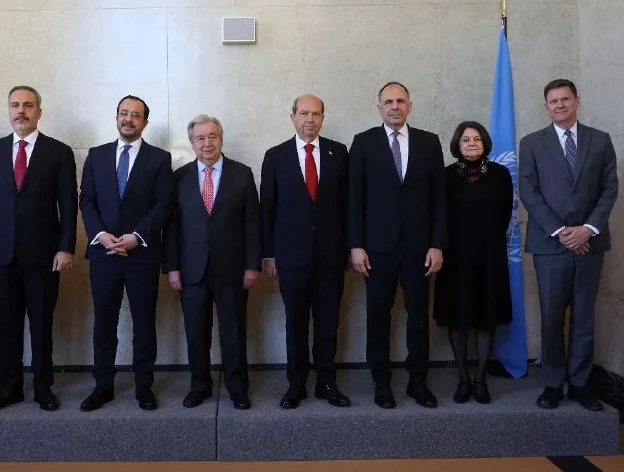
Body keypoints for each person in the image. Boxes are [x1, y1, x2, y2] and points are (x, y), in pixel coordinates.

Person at [0, 85, 78, 412]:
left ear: (39, 112)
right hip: (1, 257)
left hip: (44, 257)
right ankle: (9, 389)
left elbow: (68, 206)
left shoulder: (59, 152)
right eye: (15, 105)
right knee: (7, 326)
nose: (21, 111)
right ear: (8, 111)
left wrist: (66, 248)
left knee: (42, 325)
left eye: (28, 105)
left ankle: (43, 388)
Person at [519, 78, 618, 411]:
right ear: (546, 107)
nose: (559, 105)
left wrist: (587, 229)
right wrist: (561, 231)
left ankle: (579, 384)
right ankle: (552, 383)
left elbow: (609, 188)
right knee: (551, 316)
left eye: (565, 99)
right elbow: (529, 191)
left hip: (590, 243)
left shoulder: (600, 140)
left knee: (584, 316)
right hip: (551, 245)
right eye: (553, 101)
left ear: (577, 100)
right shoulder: (532, 143)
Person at [347, 81, 447, 409]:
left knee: (418, 314)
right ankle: (381, 382)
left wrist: (437, 244)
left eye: (400, 101)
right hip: (377, 248)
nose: (394, 106)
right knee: (378, 315)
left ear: (410, 106)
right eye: (388, 102)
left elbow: (439, 198)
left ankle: (418, 380)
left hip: (420, 247)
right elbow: (354, 198)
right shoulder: (363, 143)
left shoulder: (429, 143)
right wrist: (356, 245)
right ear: (379, 108)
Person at [78, 95, 173, 411]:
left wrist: (137, 236)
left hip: (141, 255)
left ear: (145, 122)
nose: (128, 119)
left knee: (144, 324)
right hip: (103, 254)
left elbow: (164, 204)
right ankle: (102, 386)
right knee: (104, 323)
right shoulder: (97, 155)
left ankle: (144, 386)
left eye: (135, 115)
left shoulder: (159, 159)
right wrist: (100, 235)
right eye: (123, 113)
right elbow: (87, 199)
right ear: (116, 117)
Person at [164, 115, 260, 410]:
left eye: (212, 136)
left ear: (221, 138)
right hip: (191, 270)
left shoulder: (242, 174)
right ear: (192, 143)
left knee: (233, 332)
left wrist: (252, 265)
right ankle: (199, 385)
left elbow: (252, 223)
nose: (207, 143)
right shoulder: (178, 178)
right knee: (196, 332)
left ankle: (237, 387)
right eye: (200, 138)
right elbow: (172, 228)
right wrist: (172, 268)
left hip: (232, 268)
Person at [260, 94, 350, 409]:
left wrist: (350, 248)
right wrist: (268, 254)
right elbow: (267, 209)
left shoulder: (339, 152)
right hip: (291, 256)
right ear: (293, 117)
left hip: (331, 256)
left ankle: (327, 383)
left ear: (322, 118)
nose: (309, 119)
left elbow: (348, 205)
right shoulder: (275, 156)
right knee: (295, 323)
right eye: (303, 113)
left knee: (328, 322)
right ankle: (296, 385)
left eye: (315, 114)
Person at [433, 121, 513, 404]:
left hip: (490, 255)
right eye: (466, 140)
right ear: (457, 144)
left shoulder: (501, 174)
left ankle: (480, 378)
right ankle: (463, 378)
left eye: (477, 139)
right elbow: (439, 215)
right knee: (458, 316)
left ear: (485, 143)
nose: (471, 144)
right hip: (455, 257)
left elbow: (505, 215)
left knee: (486, 316)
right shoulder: (445, 175)